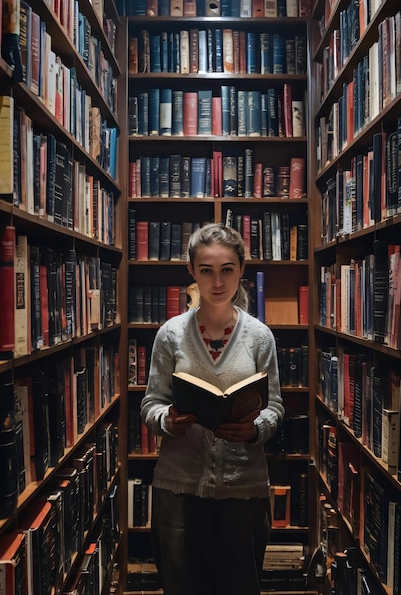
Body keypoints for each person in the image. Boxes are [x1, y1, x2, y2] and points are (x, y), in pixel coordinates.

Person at [140, 222, 284, 595]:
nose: (217, 281)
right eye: (206, 270)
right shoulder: (170, 335)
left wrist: (256, 429)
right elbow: (151, 404)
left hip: (244, 491)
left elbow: (275, 408)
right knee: (182, 586)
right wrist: (167, 421)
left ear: (241, 270)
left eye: (227, 270)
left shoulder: (259, 336)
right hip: (178, 490)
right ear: (191, 271)